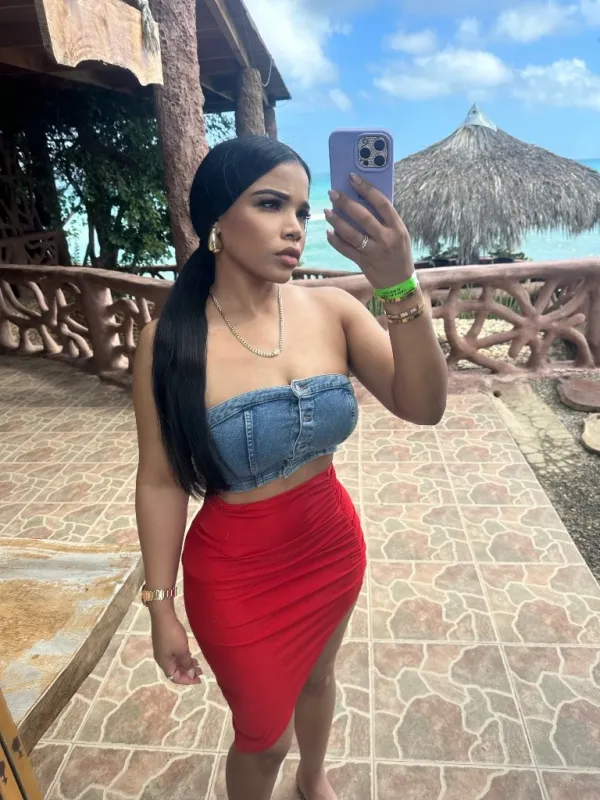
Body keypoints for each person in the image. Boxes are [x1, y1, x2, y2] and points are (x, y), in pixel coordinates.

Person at [133, 135, 447, 800]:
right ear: (218, 219)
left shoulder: (332, 309)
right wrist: (160, 605)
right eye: (271, 204)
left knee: (319, 678)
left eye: (302, 212)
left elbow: (424, 406)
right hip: (235, 574)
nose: (294, 227)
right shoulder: (169, 343)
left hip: (332, 545)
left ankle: (313, 777)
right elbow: (160, 480)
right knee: (263, 737)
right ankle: (288, 767)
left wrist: (398, 282)